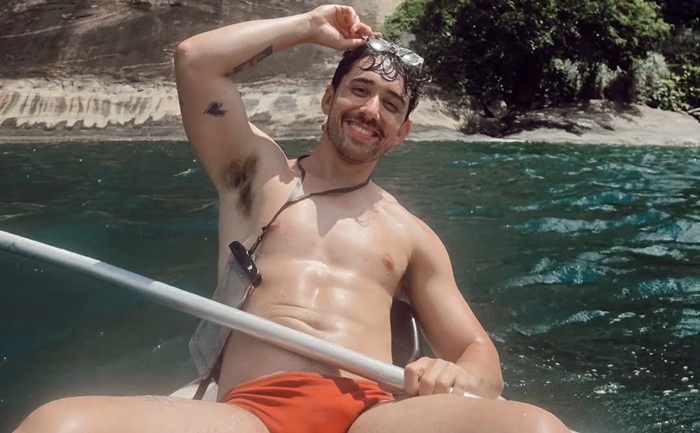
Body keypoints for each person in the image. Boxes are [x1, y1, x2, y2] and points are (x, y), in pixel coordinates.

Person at [14, 4, 572, 433]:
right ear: (328, 99)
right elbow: (196, 60)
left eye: (391, 104)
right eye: (359, 90)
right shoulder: (257, 177)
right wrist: (307, 26)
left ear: (402, 132)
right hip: (253, 413)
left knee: (539, 429)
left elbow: (480, 355)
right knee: (58, 425)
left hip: (372, 417)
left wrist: (459, 374)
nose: (371, 110)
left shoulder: (411, 234)